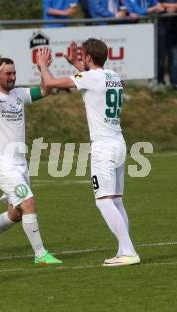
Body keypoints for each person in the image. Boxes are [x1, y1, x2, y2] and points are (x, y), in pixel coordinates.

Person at [36, 39, 140, 266]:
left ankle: (129, 251)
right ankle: (124, 249)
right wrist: (76, 64)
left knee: (103, 202)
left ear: (89, 58)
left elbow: (52, 83)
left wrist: (43, 65)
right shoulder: (112, 76)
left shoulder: (91, 78)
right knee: (117, 201)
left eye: (83, 56)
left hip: (104, 147)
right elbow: (92, 79)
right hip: (119, 143)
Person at [0, 53, 62, 265]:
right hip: (1, 164)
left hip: (19, 163)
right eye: (7, 74)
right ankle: (40, 254)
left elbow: (46, 90)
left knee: (16, 213)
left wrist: (42, 68)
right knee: (28, 202)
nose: (12, 77)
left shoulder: (19, 94)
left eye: (14, 73)